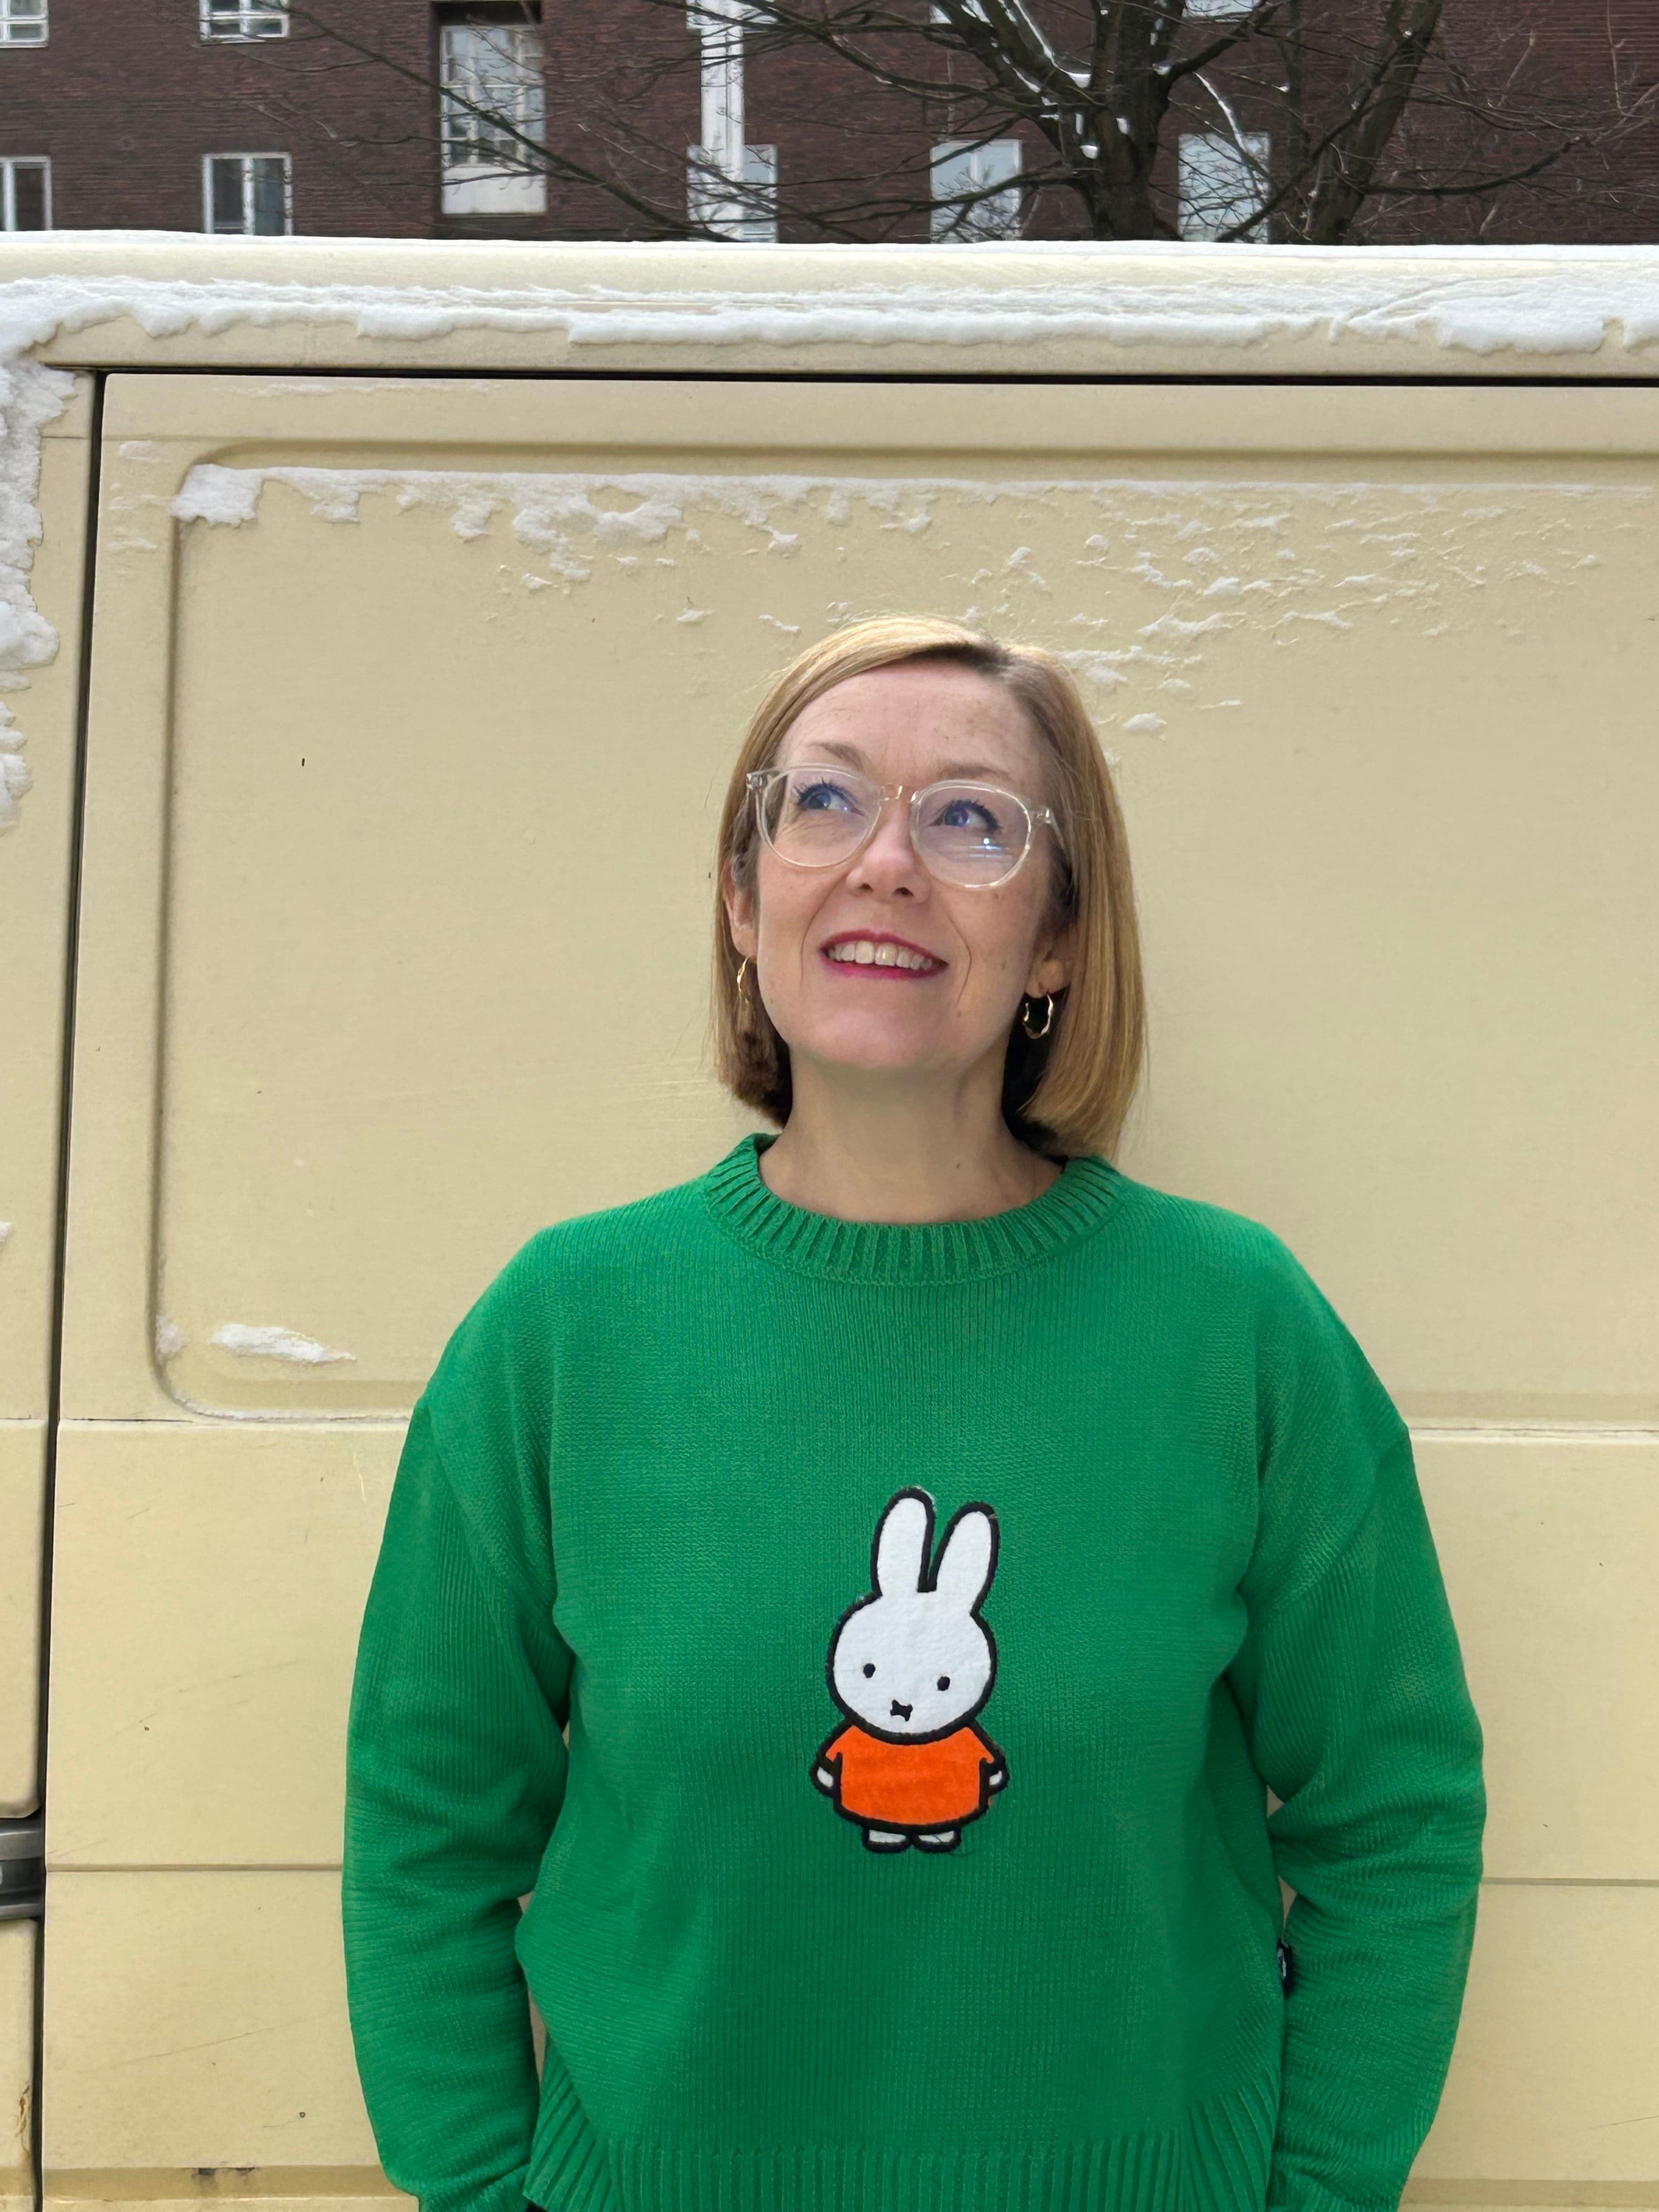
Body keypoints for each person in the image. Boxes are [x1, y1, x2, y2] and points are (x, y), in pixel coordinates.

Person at [341, 615, 1485, 2212]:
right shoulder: (564, 1329)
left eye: (970, 820)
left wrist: (1315, 2193)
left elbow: (1395, 1810)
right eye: (821, 802)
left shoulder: (1234, 1326)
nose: (885, 863)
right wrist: (477, 2193)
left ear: (1061, 936)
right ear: (743, 901)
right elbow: (426, 1830)